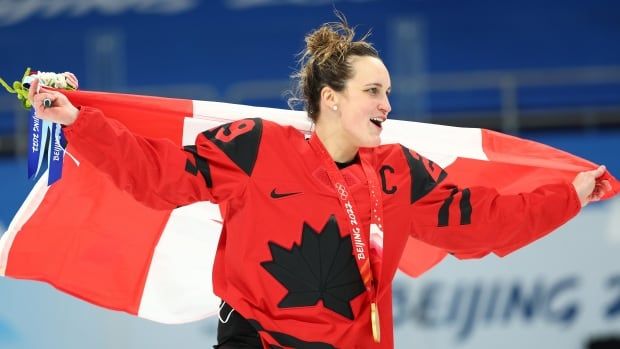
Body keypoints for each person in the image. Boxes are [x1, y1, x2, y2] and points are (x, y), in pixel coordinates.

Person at [27, 16, 611, 349]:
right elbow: (157, 177)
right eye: (374, 91)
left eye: (388, 90)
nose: (389, 102)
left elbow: (479, 224)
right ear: (330, 99)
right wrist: (80, 121)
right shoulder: (254, 147)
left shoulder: (399, 171)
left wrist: (568, 194)